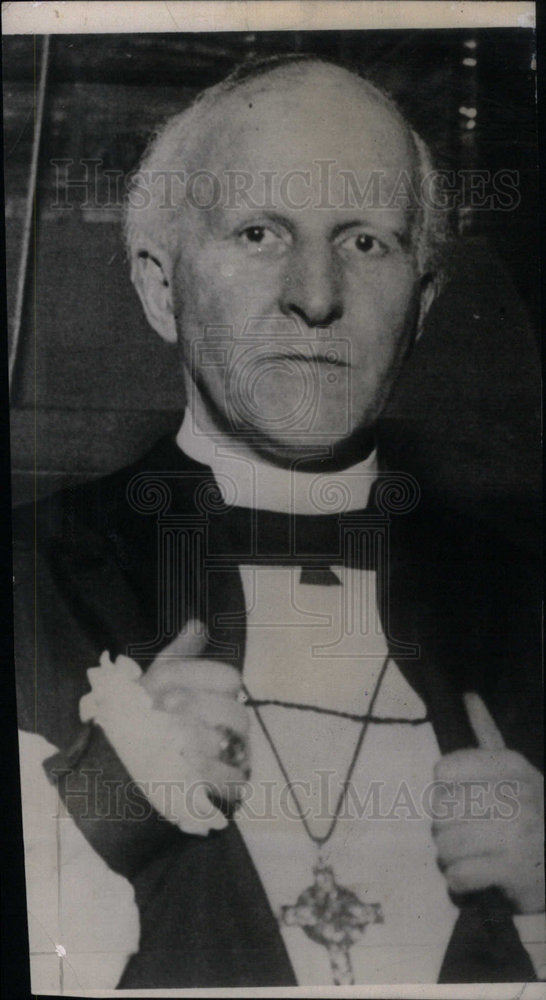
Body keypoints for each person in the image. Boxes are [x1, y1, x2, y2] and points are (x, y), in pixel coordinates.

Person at [13, 54, 544, 989]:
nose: (316, 295)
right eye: (259, 232)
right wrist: (105, 804)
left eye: (367, 242)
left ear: (421, 304)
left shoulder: (526, 605)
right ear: (160, 289)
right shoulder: (29, 578)